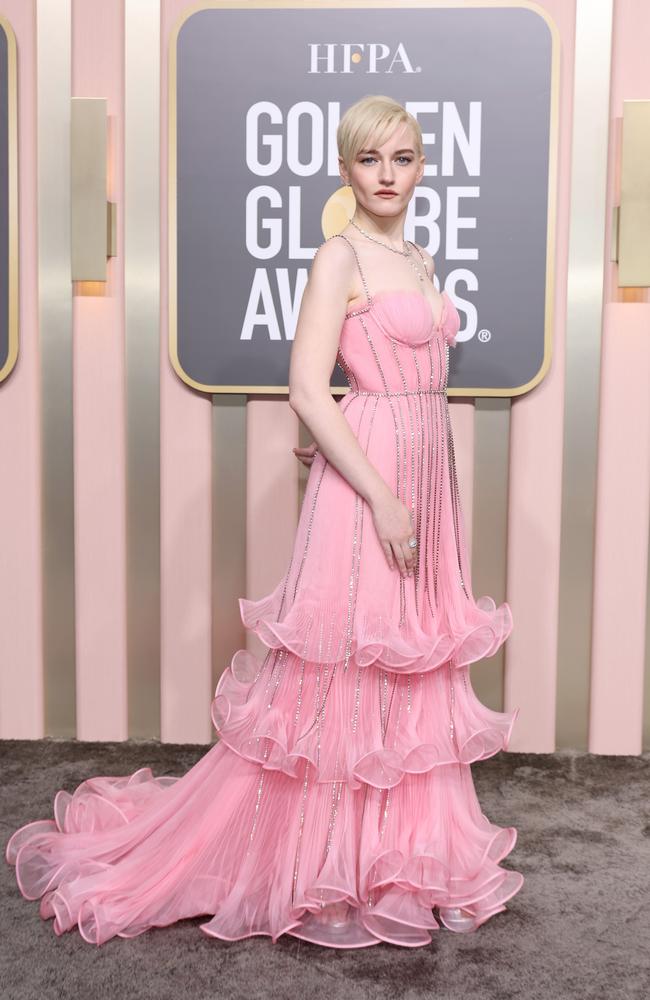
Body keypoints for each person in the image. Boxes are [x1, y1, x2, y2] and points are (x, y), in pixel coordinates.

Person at [5, 94, 523, 948]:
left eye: (402, 158)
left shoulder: (423, 259)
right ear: (347, 169)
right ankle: (329, 864)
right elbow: (309, 388)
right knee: (351, 671)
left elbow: (388, 386)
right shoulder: (337, 257)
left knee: (415, 665)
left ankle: (419, 859)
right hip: (373, 484)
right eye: (369, 160)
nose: (387, 175)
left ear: (422, 164)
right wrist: (382, 496)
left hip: (429, 466)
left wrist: (397, 482)